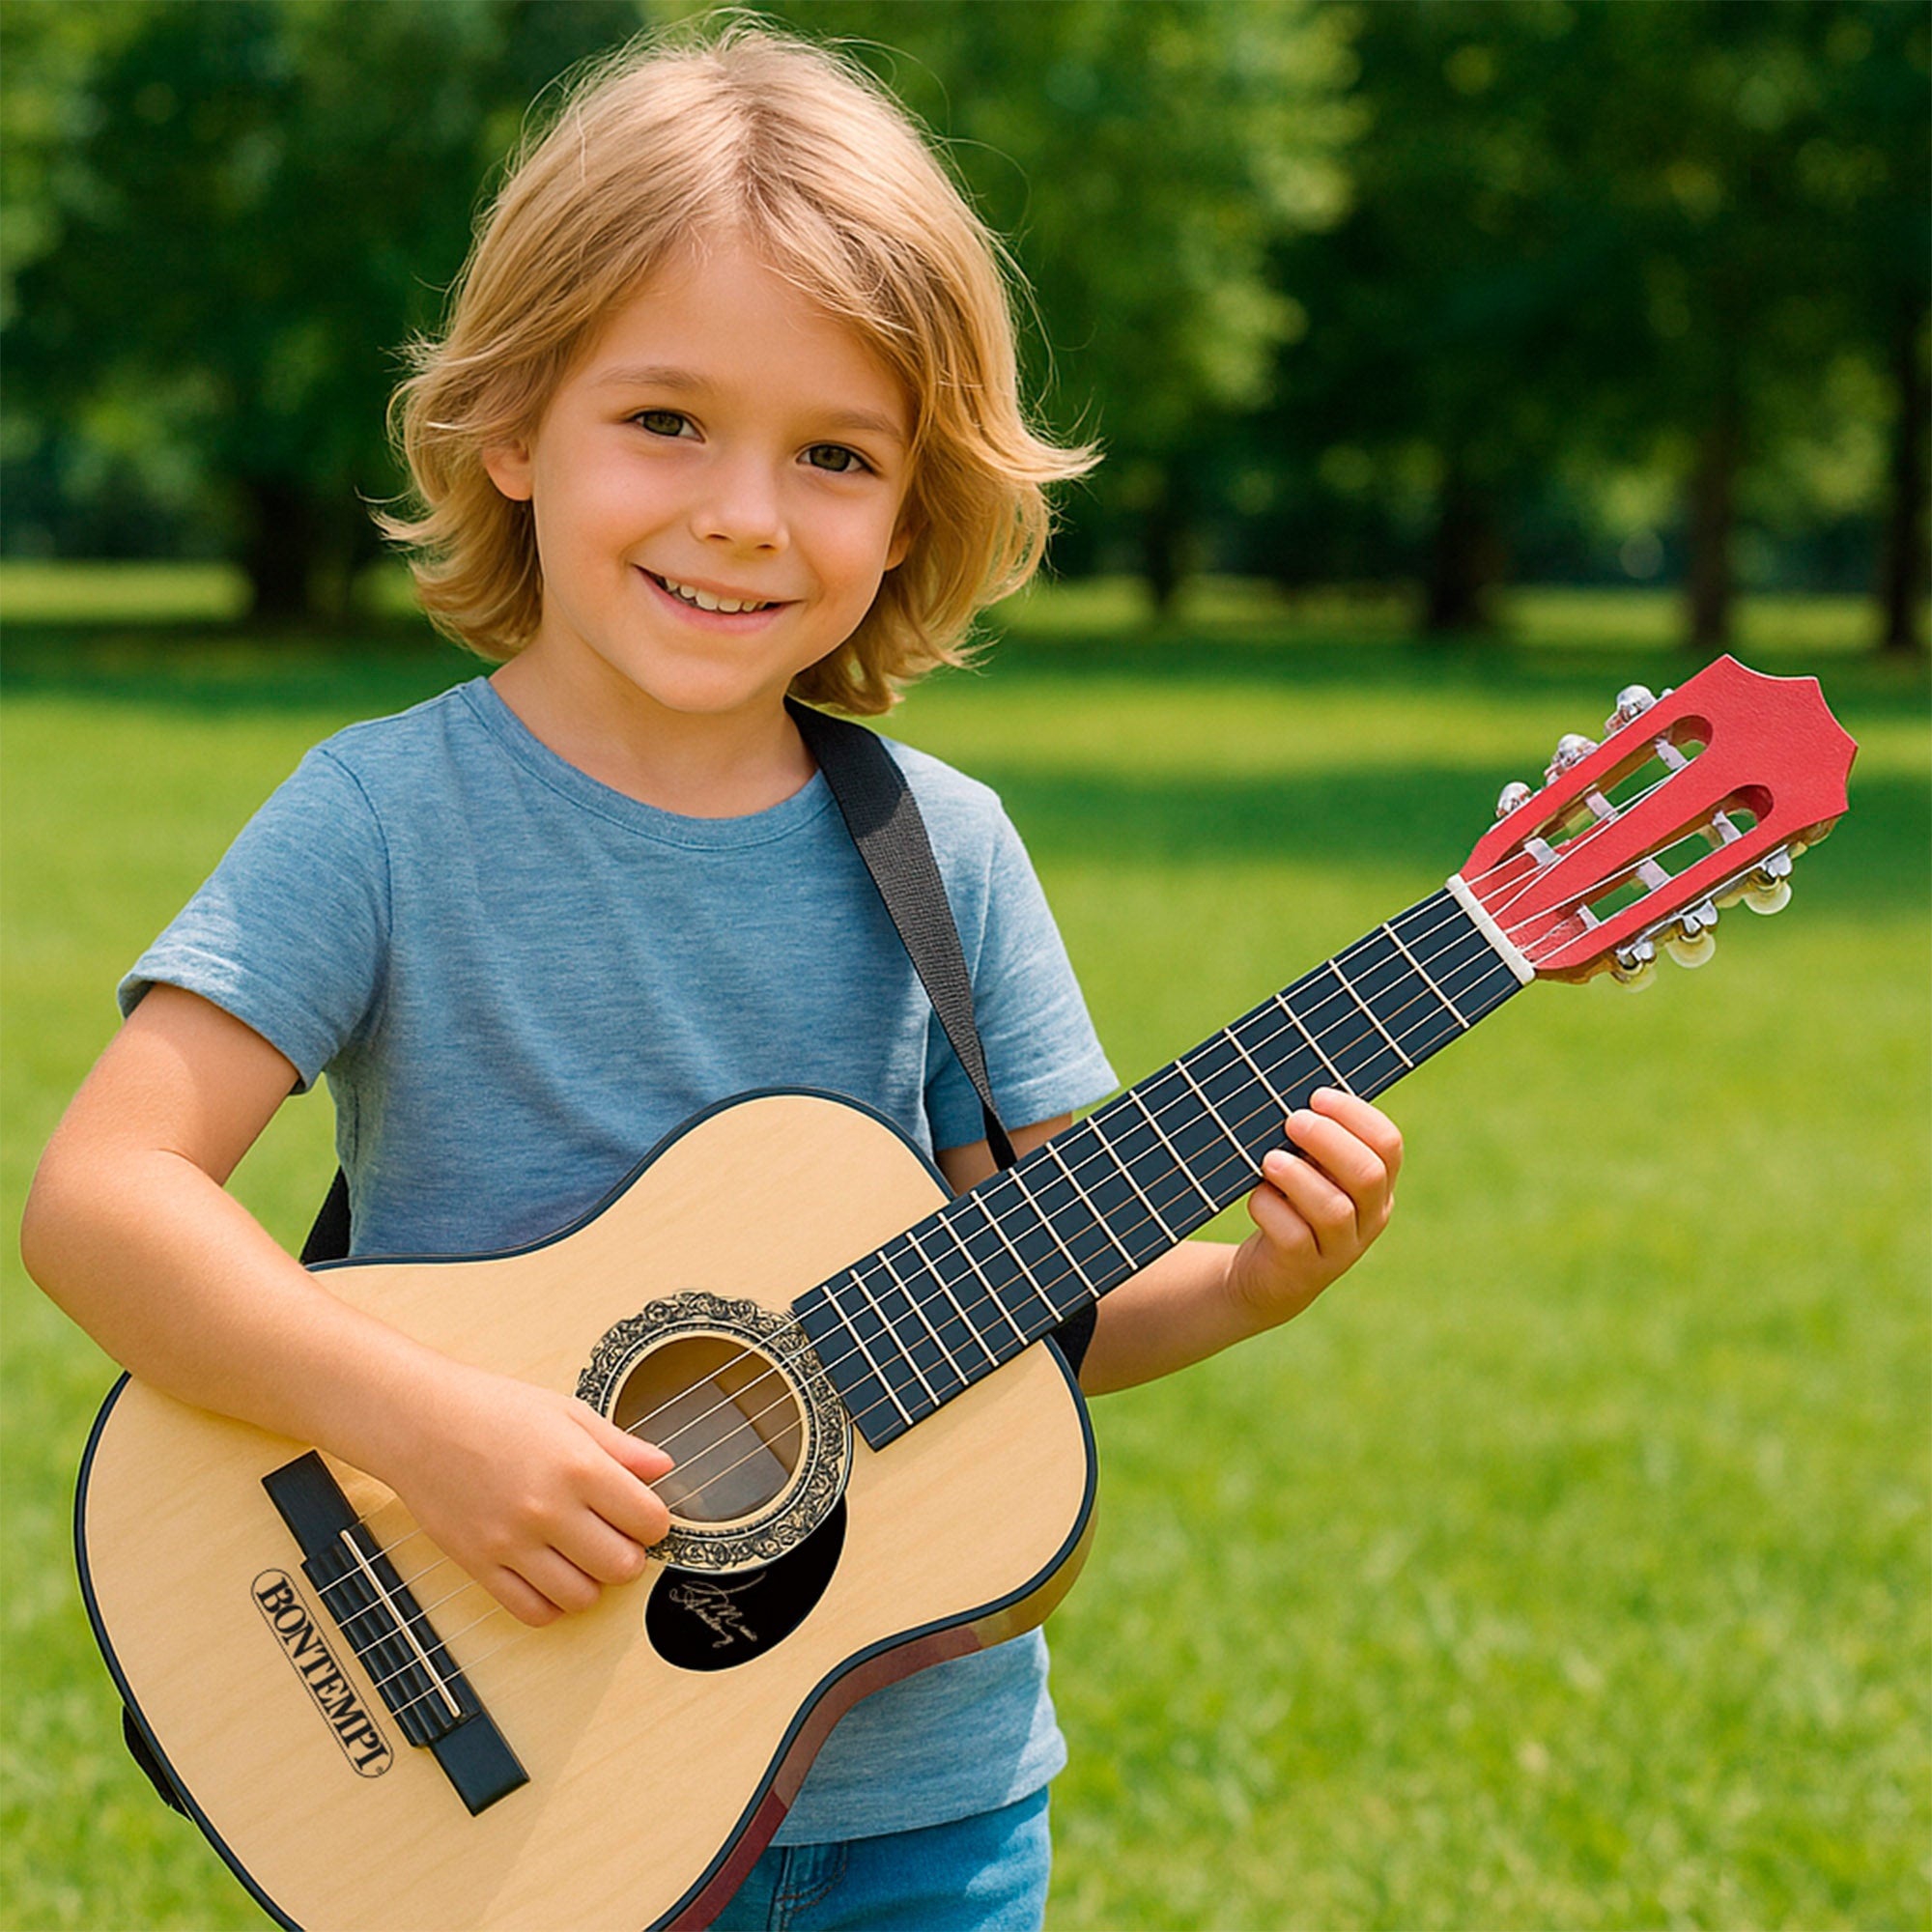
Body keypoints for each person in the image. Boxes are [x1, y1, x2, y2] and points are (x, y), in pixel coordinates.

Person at [21, 23, 1402, 1931]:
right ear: (515, 426)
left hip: (923, 1815)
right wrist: (420, 1422)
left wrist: (1248, 1283)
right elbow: (102, 1200)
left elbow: (1030, 1311)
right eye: (667, 420)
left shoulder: (944, 856)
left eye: (834, 455)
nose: (745, 510)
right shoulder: (384, 820)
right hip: (509, 1797)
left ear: (910, 513)